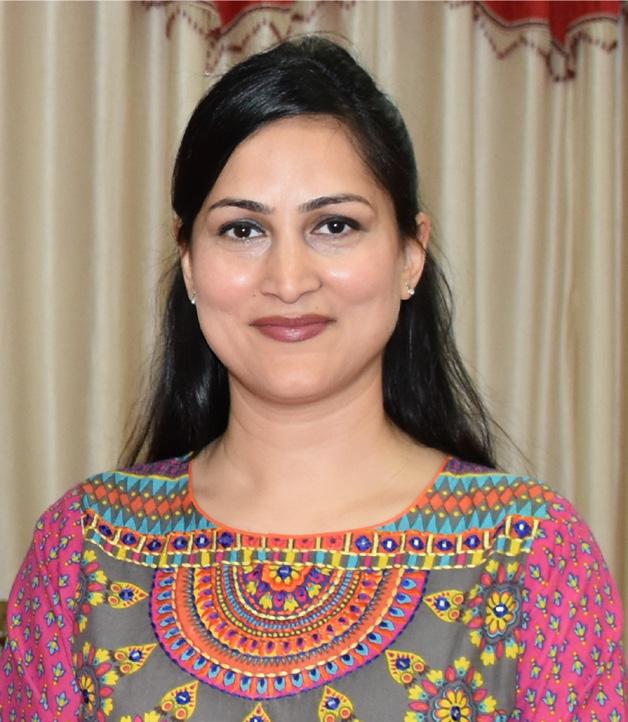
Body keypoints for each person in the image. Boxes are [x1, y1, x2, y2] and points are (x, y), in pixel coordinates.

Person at [0, 36, 624, 722]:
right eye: (242, 230)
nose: (289, 280)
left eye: (334, 224)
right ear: (189, 263)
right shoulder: (85, 546)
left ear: (410, 256)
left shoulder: (529, 553)